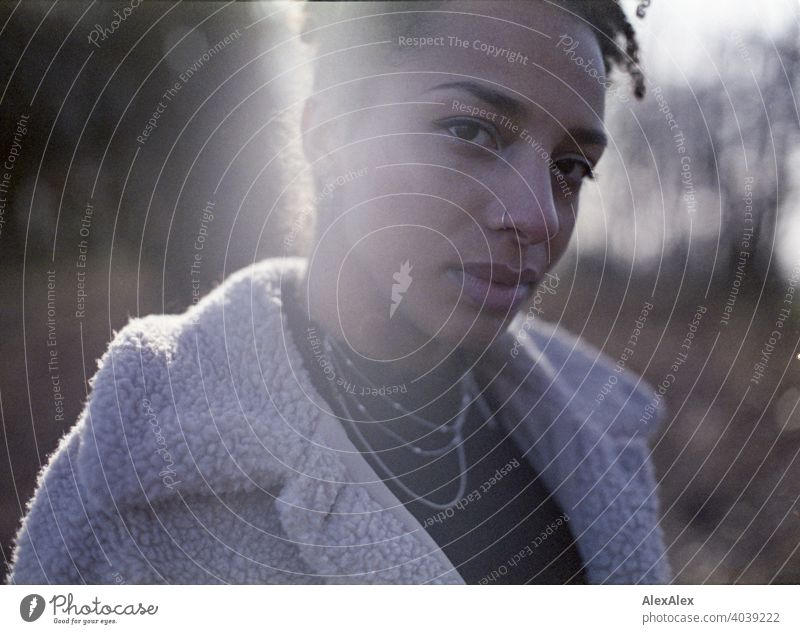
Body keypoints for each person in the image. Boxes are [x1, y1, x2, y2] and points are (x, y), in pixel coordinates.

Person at [8, 0, 670, 585]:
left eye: (570, 168)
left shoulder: (597, 441)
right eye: (470, 131)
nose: (538, 219)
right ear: (329, 136)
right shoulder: (146, 478)